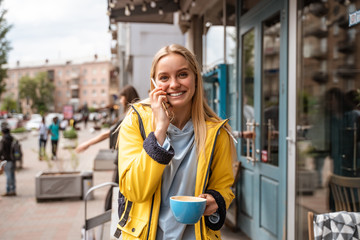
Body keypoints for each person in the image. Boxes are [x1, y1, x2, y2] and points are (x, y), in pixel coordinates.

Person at [115, 44, 236, 239]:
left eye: (182, 74)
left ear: (195, 78)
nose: (174, 84)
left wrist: (216, 199)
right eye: (164, 77)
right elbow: (134, 191)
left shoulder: (216, 132)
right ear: (154, 84)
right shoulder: (135, 121)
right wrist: (160, 131)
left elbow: (224, 187)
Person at [75, 85, 140, 211]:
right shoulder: (132, 112)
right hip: (127, 156)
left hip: (126, 157)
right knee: (119, 186)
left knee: (118, 186)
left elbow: (107, 133)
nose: (120, 100)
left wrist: (87, 143)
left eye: (122, 97)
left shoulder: (130, 113)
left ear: (127, 97)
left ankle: (114, 213)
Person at [0, 122, 16, 196]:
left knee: (8, 175)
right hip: (13, 159)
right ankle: (13, 189)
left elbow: (1, 150)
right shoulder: (12, 139)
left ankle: (8, 190)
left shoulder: (3, 140)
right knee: (12, 175)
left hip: (7, 160)